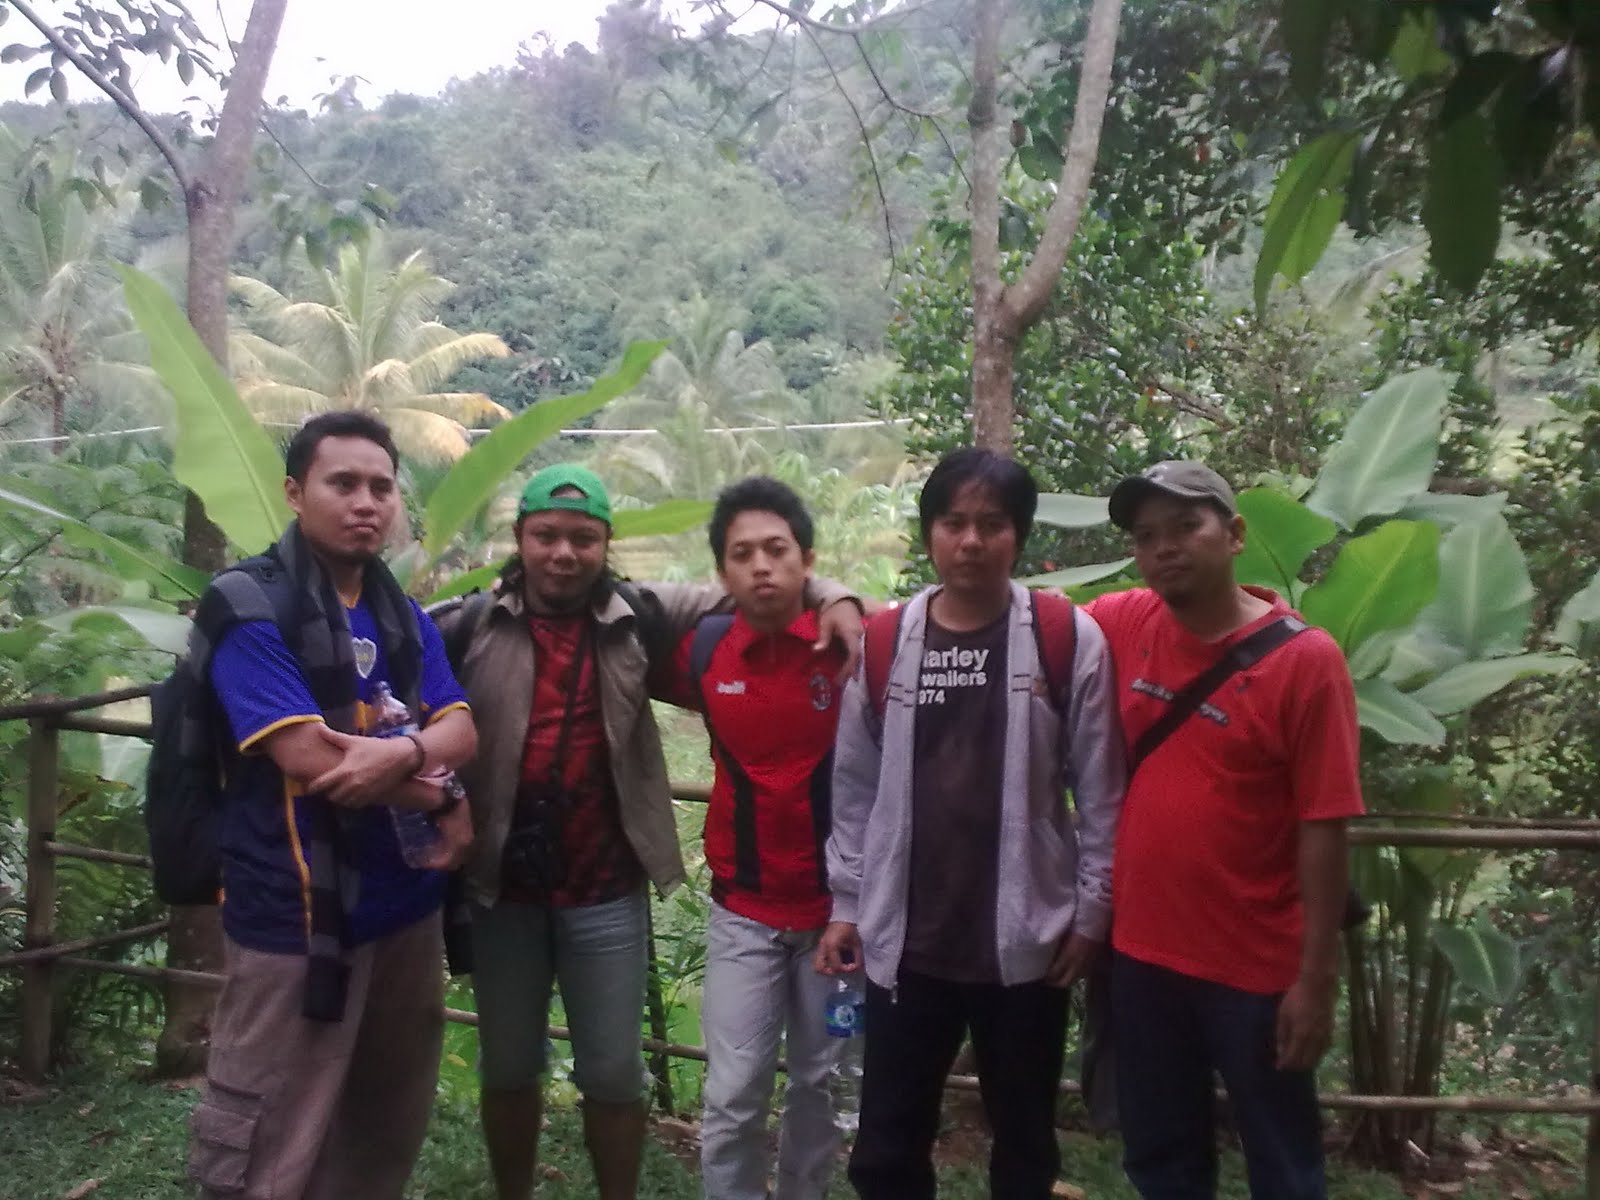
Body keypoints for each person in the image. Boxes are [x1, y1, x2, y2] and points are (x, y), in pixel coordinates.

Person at [433, 464, 863, 1200]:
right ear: (520, 539)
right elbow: (408, 692)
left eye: (583, 538)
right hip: (501, 884)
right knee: (508, 1065)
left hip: (606, 884)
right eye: (546, 536)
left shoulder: (640, 614)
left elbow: (761, 584)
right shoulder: (469, 624)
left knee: (614, 1070)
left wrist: (837, 595)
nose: (563, 553)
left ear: (607, 543)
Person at [818, 447, 1126, 1200]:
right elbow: (854, 786)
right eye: (953, 522)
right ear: (929, 532)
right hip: (906, 944)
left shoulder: (1065, 637)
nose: (971, 541)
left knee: (1024, 1146)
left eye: (992, 524)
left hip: (1027, 943)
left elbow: (1101, 788)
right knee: (886, 1152)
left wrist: (1093, 912)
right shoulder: (887, 642)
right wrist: (848, 903)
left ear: (1019, 535)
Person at [186, 411, 479, 1200]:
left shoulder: (403, 616)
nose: (366, 503)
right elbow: (313, 760)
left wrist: (405, 756)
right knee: (271, 1132)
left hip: (404, 907)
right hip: (296, 913)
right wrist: (440, 788)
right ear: (294, 492)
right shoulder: (249, 607)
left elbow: (461, 729)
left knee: (382, 1125)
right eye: (342, 483)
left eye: (382, 487)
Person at [1087, 460, 1364, 1200]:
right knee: (1162, 1159)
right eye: (1146, 536)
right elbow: (1019, 618)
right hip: (1143, 956)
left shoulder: (1305, 662)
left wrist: (1315, 979)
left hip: (1256, 970)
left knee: (1283, 1162)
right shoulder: (1126, 621)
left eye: (1186, 527)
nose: (1165, 548)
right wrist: (842, 600)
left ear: (1235, 534)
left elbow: (1324, 825)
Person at [651, 477, 848, 1200]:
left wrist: (844, 600)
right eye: (742, 554)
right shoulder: (703, 653)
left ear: (808, 560)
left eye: (777, 550)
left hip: (840, 917)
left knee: (820, 1086)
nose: (762, 566)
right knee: (733, 1093)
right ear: (722, 574)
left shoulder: (852, 648)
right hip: (743, 912)